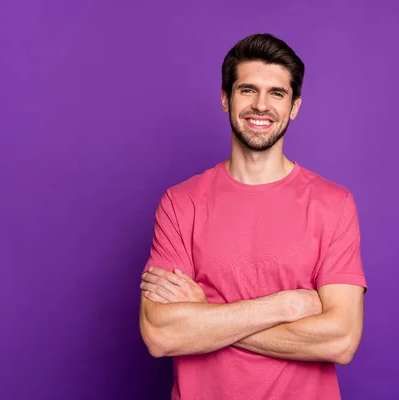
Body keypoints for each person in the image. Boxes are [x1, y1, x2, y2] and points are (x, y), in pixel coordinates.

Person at [139, 33, 367, 400]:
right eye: (248, 90)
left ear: (294, 106)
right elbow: (160, 334)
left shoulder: (333, 204)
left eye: (277, 93)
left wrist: (206, 315)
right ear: (226, 98)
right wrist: (286, 306)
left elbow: (341, 340)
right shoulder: (181, 203)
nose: (261, 105)